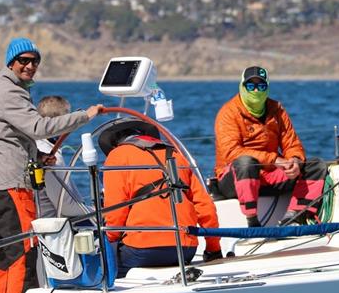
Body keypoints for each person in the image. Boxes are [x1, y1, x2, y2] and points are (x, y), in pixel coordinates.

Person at [0, 37, 103, 293]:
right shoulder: (11, 92)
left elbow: (7, 135)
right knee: (22, 254)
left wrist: (36, 155)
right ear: (10, 63)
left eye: (34, 61)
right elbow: (39, 128)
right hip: (9, 186)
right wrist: (86, 116)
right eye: (24, 60)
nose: (30, 66)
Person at [100, 120, 222, 277]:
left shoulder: (117, 156)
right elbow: (205, 207)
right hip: (185, 250)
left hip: (141, 251)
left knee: (101, 263)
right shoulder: (177, 156)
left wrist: (109, 240)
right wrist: (213, 248)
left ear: (116, 143)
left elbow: (116, 213)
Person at [214, 66, 326, 227]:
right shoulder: (228, 113)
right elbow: (231, 152)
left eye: (261, 86)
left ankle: (295, 215)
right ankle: (252, 220)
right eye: (251, 86)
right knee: (246, 163)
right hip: (235, 178)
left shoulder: (277, 110)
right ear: (242, 86)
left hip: (269, 177)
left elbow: (292, 143)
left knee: (316, 165)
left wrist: (294, 161)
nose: (256, 91)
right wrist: (275, 160)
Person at [35, 95, 89, 218]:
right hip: (54, 229)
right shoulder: (50, 157)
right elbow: (65, 207)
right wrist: (101, 211)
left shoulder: (37, 148)